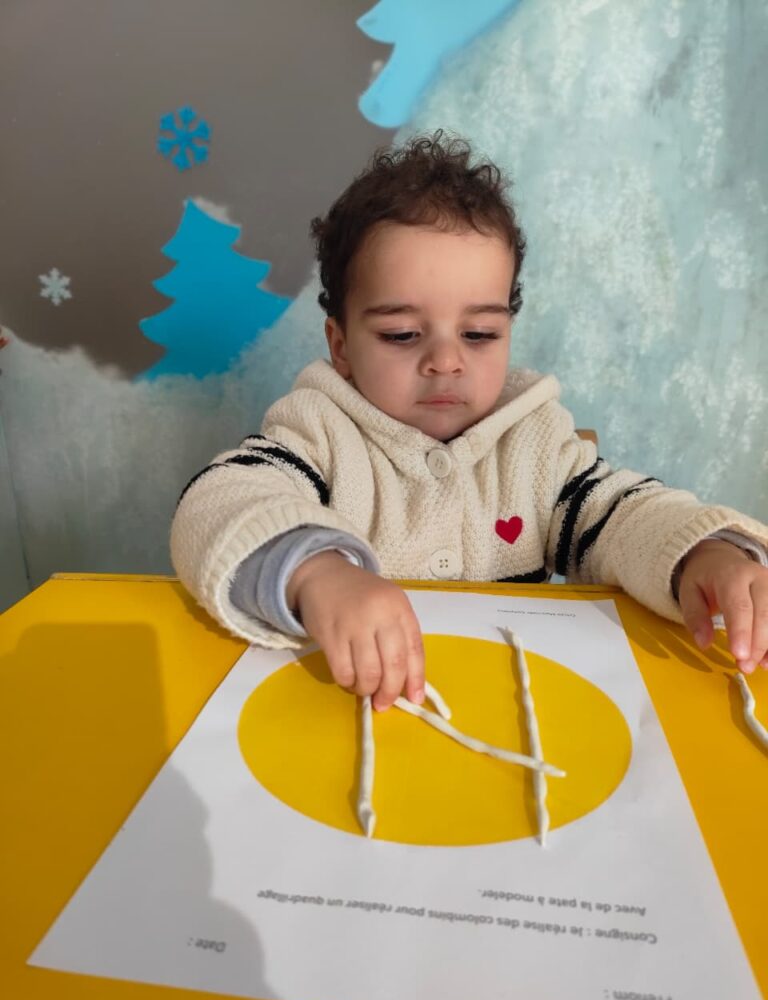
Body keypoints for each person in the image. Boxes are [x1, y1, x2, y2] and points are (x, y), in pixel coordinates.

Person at [171, 132, 768, 712]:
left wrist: (702, 552)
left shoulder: (536, 445)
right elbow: (217, 502)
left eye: (479, 334)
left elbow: (622, 516)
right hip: (359, 712)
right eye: (402, 334)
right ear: (342, 345)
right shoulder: (318, 433)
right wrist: (314, 571)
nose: (446, 360)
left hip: (508, 715)